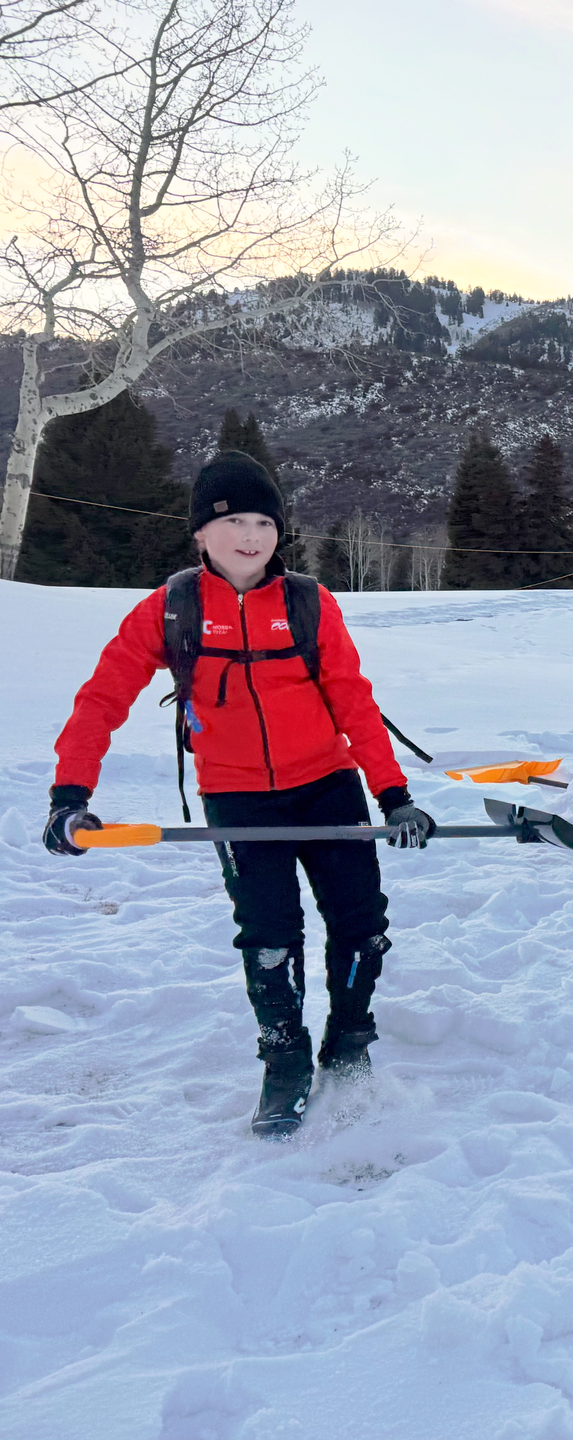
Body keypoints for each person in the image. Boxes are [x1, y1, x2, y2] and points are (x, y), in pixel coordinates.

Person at [44, 451, 435, 1138]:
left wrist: (393, 794)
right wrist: (70, 792)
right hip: (238, 797)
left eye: (264, 522)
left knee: (360, 922)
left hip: (328, 786)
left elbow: (354, 700)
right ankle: (284, 1055)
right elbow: (102, 698)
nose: (251, 536)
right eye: (233, 522)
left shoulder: (309, 603)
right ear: (201, 533)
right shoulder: (173, 610)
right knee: (268, 932)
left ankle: (350, 1038)